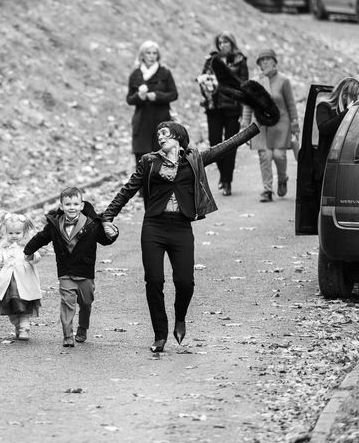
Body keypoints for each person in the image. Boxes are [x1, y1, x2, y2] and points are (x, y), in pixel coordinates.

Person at [101, 64, 279, 353]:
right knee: (154, 280)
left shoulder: (195, 159)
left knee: (185, 282)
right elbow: (128, 189)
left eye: (166, 134)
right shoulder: (149, 161)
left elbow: (227, 144)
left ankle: (180, 317)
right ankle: (160, 334)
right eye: (159, 135)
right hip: (154, 227)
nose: (161, 137)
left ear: (179, 138)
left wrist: (255, 127)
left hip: (181, 227)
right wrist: (108, 215)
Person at [23, 187, 118, 347]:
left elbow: (104, 239)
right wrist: (28, 250)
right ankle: (67, 335)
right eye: (68, 204)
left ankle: (83, 328)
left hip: (86, 272)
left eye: (75, 204)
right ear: (61, 206)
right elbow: (42, 238)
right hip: (66, 272)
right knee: (67, 302)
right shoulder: (54, 225)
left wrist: (112, 232)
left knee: (86, 303)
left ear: (82, 205)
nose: (72, 207)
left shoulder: (92, 224)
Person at [241, 49, 299, 203]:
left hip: (281, 124)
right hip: (261, 125)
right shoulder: (254, 82)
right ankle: (267, 190)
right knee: (265, 156)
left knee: (279, 155)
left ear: (274, 62)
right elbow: (248, 106)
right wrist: (245, 125)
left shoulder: (283, 80)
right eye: (262, 60)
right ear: (259, 64)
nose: (265, 62)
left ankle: (282, 178)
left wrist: (295, 125)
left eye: (268, 59)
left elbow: (291, 104)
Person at [199, 31, 249, 196]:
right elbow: (203, 80)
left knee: (230, 145)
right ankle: (222, 175)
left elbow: (244, 85)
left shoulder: (240, 61)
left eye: (225, 42)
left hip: (232, 108)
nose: (222, 46)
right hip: (213, 107)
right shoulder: (211, 60)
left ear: (232, 44)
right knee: (214, 143)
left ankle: (227, 180)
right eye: (220, 43)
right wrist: (206, 83)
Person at [0, 212, 42, 341]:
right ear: (5, 233)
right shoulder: (5, 248)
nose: (14, 236)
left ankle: (25, 327)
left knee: (24, 304)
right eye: (10, 233)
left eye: (18, 233)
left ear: (24, 233)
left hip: (24, 281)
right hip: (8, 282)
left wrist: (31, 256)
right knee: (11, 306)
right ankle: (17, 324)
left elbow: (37, 257)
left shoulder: (27, 247)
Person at [127, 40, 179, 170]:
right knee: (142, 164)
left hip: (161, 122)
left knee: (162, 161)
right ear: (142, 55)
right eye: (148, 53)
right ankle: (143, 191)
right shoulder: (136, 74)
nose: (151, 56)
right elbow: (129, 99)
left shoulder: (165, 72)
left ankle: (161, 190)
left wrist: (157, 96)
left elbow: (174, 94)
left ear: (158, 55)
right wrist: (140, 96)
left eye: (154, 53)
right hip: (142, 124)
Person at [314, 76, 359, 209]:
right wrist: (347, 112)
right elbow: (324, 129)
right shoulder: (324, 107)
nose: (357, 100)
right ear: (345, 95)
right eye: (355, 96)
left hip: (347, 162)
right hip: (327, 165)